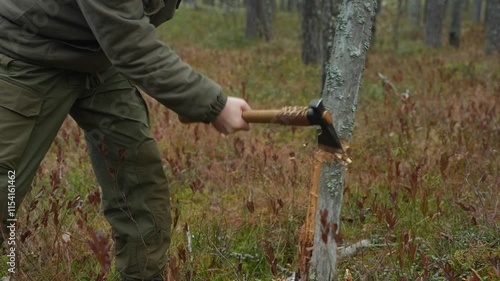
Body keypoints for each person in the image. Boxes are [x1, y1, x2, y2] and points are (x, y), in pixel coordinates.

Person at [0, 0, 251, 280]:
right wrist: (213, 104)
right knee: (4, 183)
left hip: (97, 53)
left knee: (137, 171)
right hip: (28, 51)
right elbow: (131, 45)